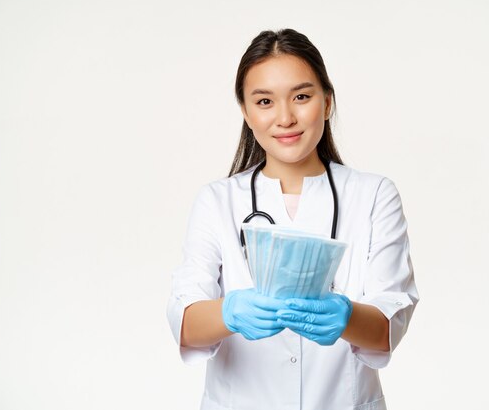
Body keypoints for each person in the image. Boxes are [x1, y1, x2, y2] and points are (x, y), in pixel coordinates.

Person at [167, 28, 419, 410]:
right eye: (265, 101)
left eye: (301, 97)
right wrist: (230, 312)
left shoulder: (373, 196)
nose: (285, 117)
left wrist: (346, 317)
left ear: (327, 101)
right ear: (246, 113)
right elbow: (185, 322)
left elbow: (388, 326)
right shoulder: (217, 201)